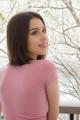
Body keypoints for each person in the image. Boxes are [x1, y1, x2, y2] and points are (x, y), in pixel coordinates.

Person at [0, 11, 59, 120]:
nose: (44, 37)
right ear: (19, 38)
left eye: (44, 30)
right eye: (34, 33)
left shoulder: (2, 73)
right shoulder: (47, 68)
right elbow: (53, 116)